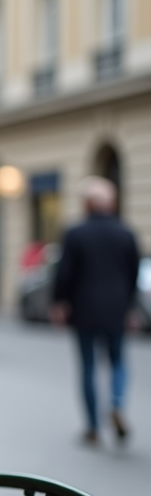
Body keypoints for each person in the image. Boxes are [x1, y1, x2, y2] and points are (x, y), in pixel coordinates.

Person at [52, 176, 141, 445]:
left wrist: (60, 302)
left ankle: (92, 427)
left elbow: (64, 272)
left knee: (88, 367)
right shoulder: (126, 234)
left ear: (87, 204)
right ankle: (115, 402)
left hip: (84, 308)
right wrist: (131, 307)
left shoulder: (75, 233)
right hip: (116, 308)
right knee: (117, 362)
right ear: (111, 203)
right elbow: (133, 274)